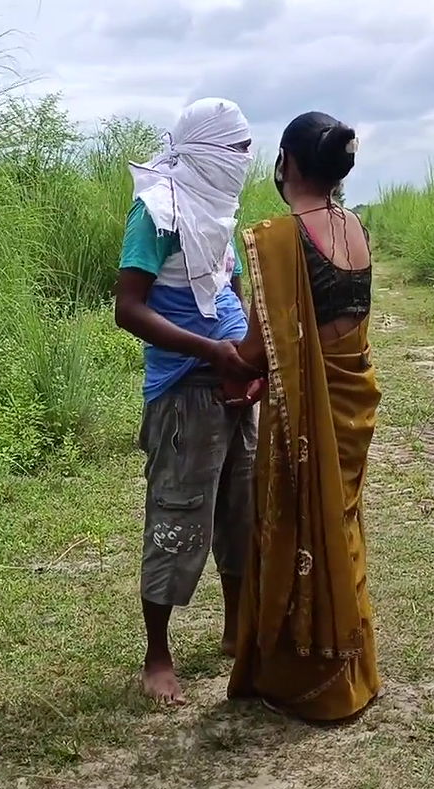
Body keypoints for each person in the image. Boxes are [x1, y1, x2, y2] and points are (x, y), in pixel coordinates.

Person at [225, 111, 380, 723]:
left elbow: (258, 350)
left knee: (298, 521)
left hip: (311, 410)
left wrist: (212, 352)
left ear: (285, 162)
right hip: (350, 395)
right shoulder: (356, 227)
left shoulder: (281, 238)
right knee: (337, 520)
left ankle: (310, 674)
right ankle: (352, 664)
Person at [114, 97, 261, 706]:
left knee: (240, 510)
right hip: (185, 391)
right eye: (236, 150)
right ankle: (157, 654)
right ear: (202, 151)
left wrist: (251, 354)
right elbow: (129, 309)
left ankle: (236, 630)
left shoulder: (216, 212)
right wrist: (212, 352)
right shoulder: (156, 212)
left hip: (232, 386)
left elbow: (225, 288)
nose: (243, 163)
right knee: (178, 516)